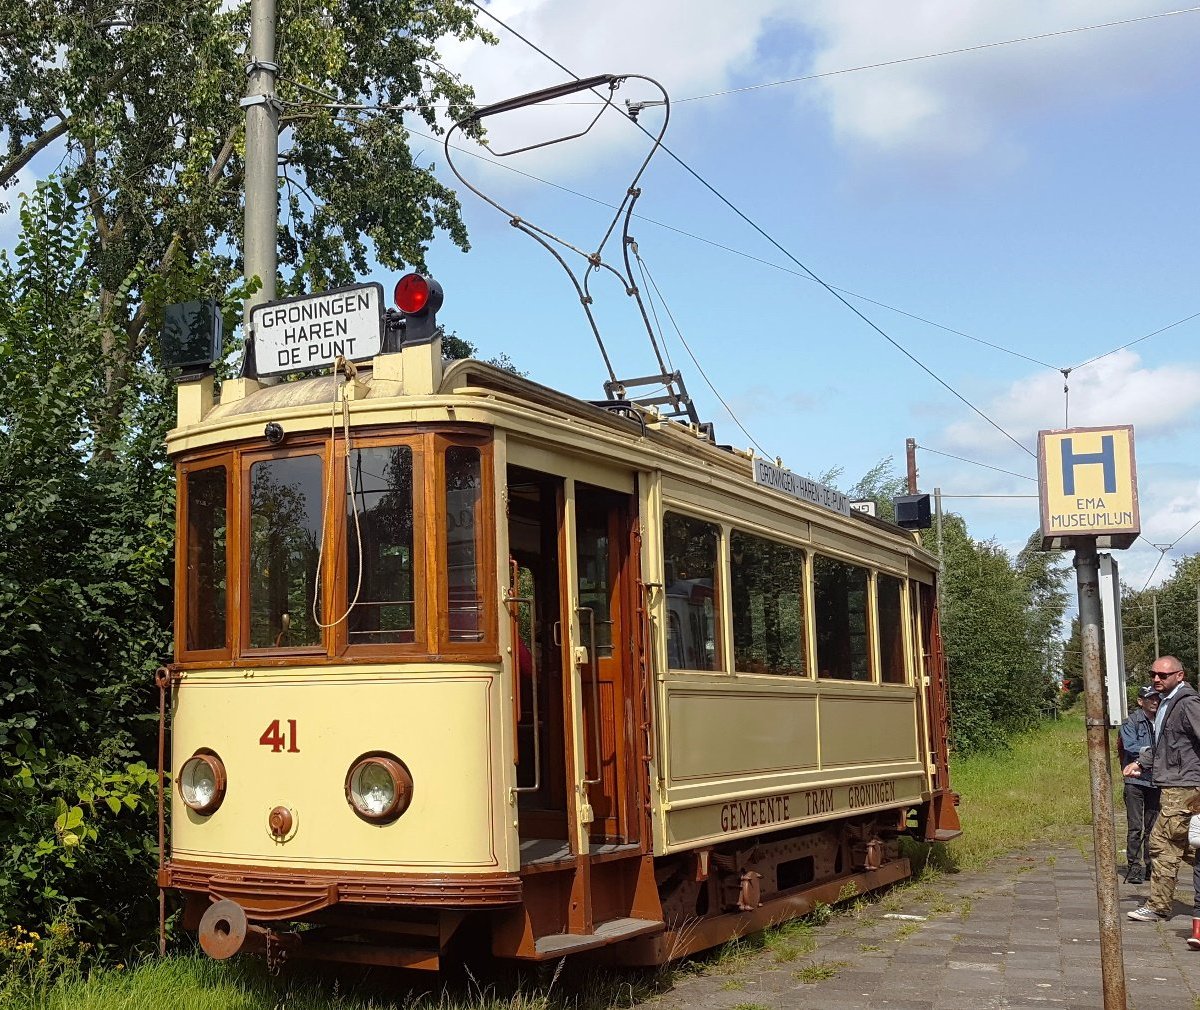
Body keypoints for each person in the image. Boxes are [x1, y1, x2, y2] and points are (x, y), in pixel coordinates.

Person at [1125, 657, 1200, 950]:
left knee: (1164, 844)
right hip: (1173, 782)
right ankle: (1158, 903)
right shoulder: (1166, 702)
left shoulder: (1187, 702)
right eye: (1152, 673)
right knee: (1180, 844)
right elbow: (1165, 746)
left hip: (1184, 785)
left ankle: (1158, 905)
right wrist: (1142, 763)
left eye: (1162, 674)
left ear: (1179, 675)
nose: (1156, 678)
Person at [1118, 686, 1161, 884]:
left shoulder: (1162, 720)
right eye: (1150, 698)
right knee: (1135, 826)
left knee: (1152, 827)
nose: (1154, 701)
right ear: (1140, 701)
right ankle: (1134, 866)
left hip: (1155, 781)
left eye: (1157, 698)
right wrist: (1155, 752)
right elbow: (1130, 746)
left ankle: (1150, 865)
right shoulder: (1132, 721)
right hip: (1135, 780)